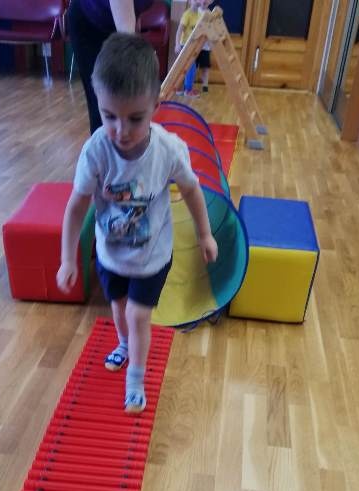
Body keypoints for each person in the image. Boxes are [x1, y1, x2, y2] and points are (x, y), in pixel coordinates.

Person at [56, 33, 218, 414]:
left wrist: (205, 234)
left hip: (152, 256)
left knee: (138, 313)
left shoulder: (168, 150)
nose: (121, 130)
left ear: (155, 106)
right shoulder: (96, 151)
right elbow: (76, 207)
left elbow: (192, 190)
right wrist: (67, 258)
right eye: (109, 116)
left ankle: (136, 379)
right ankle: (125, 344)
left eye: (135, 118)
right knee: (118, 308)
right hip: (110, 253)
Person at [67, 0, 154, 133]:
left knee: (125, 98)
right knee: (105, 98)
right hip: (89, 24)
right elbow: (127, 39)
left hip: (116, 23)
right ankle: (102, 144)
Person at [175, 0, 212, 96]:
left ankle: (185, 89)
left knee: (191, 67)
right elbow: (179, 30)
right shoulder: (187, 14)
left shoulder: (199, 14)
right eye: (194, 0)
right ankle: (187, 90)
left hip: (193, 45)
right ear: (190, 1)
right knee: (189, 67)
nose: (197, 2)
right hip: (185, 45)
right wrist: (177, 44)